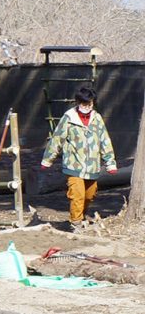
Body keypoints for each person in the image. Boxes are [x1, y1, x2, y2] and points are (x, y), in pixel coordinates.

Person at [41, 86, 118, 231]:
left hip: (92, 166)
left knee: (89, 195)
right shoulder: (69, 118)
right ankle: (75, 222)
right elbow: (57, 139)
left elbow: (105, 140)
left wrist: (110, 162)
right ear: (77, 102)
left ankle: (81, 216)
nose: (87, 107)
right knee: (78, 195)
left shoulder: (97, 118)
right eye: (84, 104)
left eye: (89, 104)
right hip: (74, 165)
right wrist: (48, 160)